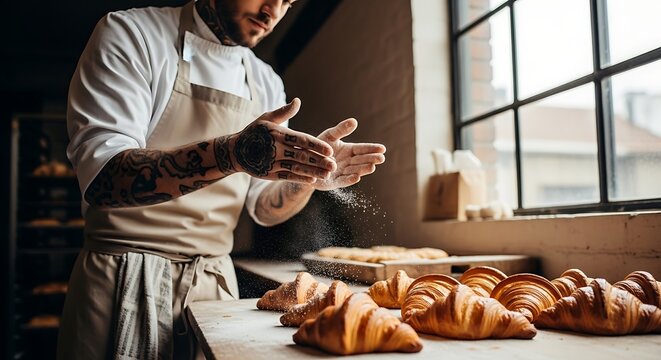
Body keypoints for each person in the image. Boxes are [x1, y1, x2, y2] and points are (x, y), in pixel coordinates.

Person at [57, 0, 387, 359]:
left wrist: (305, 178)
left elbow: (264, 208)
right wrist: (231, 153)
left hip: (212, 290)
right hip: (122, 281)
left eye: (287, 2)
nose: (272, 12)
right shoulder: (132, 35)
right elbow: (104, 177)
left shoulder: (265, 80)